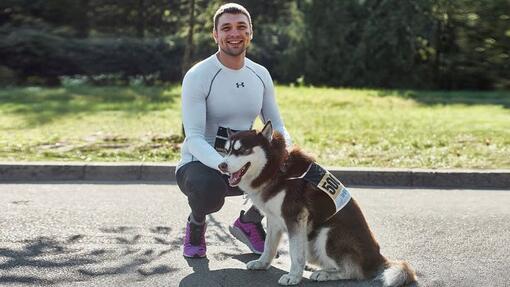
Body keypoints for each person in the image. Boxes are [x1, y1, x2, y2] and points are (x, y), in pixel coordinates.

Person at [177, 2, 292, 258]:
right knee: (208, 191)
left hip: (244, 161)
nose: (234, 33)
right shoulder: (198, 75)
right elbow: (193, 138)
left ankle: (250, 222)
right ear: (215, 34)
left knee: (293, 170)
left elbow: (277, 125)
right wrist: (224, 165)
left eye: (241, 27)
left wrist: (288, 151)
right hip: (202, 163)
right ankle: (196, 225)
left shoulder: (260, 74)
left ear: (251, 32)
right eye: (226, 28)